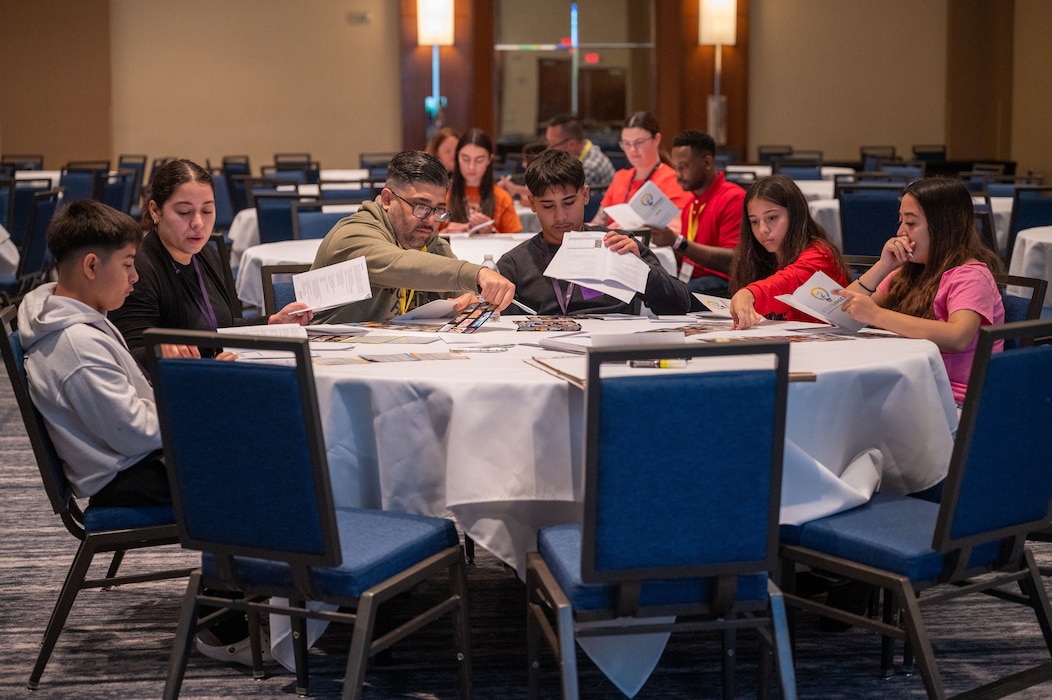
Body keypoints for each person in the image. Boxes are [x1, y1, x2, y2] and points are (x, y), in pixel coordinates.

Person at [18, 200, 167, 507]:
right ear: (91, 266)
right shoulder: (77, 346)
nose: (135, 277)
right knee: (257, 463)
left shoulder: (71, 315)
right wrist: (197, 408)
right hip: (131, 475)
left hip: (134, 460)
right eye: (127, 264)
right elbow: (134, 434)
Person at [109, 159, 310, 366]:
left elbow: (221, 324)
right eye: (184, 212)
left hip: (217, 369)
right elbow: (130, 355)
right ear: (155, 211)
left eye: (207, 211)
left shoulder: (207, 254)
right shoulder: (139, 267)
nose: (198, 223)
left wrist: (272, 322)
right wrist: (165, 351)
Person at [836, 177, 1005, 407]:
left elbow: (957, 337)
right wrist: (883, 265)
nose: (900, 232)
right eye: (901, 221)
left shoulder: (970, 276)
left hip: (952, 401)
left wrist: (876, 315)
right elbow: (840, 311)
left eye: (911, 223)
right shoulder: (908, 271)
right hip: (909, 388)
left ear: (943, 226)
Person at [309, 150, 516, 323]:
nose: (430, 220)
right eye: (421, 207)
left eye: (438, 210)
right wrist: (475, 274)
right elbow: (398, 264)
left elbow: (454, 292)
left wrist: (465, 301)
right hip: (327, 360)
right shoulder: (352, 235)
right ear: (388, 199)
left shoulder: (428, 241)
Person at [496, 149, 690, 316]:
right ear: (532, 203)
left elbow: (679, 305)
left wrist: (641, 270)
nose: (560, 216)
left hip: (612, 350)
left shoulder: (617, 245)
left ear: (585, 195)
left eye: (569, 203)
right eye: (548, 206)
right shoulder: (514, 265)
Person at [728, 175, 850, 329]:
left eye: (772, 217)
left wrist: (749, 294)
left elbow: (786, 282)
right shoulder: (761, 257)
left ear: (795, 215)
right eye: (754, 221)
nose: (763, 230)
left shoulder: (820, 254)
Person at [648, 130, 745, 296]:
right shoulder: (691, 205)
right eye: (675, 168)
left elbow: (734, 261)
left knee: (668, 296)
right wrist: (662, 242)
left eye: (683, 167)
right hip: (693, 278)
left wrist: (677, 242)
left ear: (707, 162)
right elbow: (689, 257)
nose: (677, 175)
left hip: (723, 283)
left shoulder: (733, 198)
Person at [590, 112, 693, 233]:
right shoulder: (620, 177)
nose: (632, 150)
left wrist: (633, 229)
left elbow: (679, 231)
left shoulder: (675, 180)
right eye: (626, 144)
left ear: (656, 139)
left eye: (639, 142)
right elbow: (598, 222)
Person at [442, 128, 522, 234]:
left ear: (489, 159)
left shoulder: (502, 197)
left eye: (479, 160)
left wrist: (492, 232)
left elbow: (514, 244)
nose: (471, 167)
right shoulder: (443, 195)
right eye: (465, 159)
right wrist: (445, 234)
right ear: (457, 157)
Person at [545, 113, 616, 190]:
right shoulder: (581, 154)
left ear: (572, 144)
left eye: (551, 144)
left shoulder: (590, 167)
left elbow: (563, 194)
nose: (548, 149)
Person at [497, 138, 547, 202]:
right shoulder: (533, 177)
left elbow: (537, 200)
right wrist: (512, 188)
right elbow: (530, 191)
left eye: (525, 160)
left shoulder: (546, 178)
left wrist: (514, 192)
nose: (523, 164)